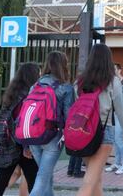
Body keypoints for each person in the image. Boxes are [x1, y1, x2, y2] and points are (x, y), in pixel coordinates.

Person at [76, 44, 123, 196]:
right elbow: (121, 108)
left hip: (82, 132)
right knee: (90, 180)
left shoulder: (80, 82)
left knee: (96, 178)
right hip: (103, 131)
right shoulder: (112, 81)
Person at [0, 63, 40, 196]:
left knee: (2, 179)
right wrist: (26, 146)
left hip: (8, 143)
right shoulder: (28, 95)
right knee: (33, 180)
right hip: (22, 145)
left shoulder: (11, 94)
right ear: (32, 76)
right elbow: (23, 123)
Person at [28, 52, 75, 196]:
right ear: (63, 66)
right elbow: (69, 117)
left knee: (46, 177)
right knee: (43, 178)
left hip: (33, 136)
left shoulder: (35, 85)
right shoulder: (66, 88)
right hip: (53, 137)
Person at [105, 63, 123, 175]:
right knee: (115, 140)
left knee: (119, 139)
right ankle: (117, 163)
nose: (113, 70)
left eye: (115, 68)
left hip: (120, 114)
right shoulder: (110, 82)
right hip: (112, 114)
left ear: (119, 70)